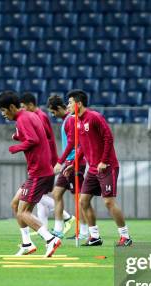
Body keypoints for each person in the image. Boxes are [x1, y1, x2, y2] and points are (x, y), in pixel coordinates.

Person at [57, 89, 132, 247]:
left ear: (79, 103)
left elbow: (108, 138)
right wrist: (73, 165)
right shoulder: (77, 122)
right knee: (83, 201)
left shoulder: (95, 117)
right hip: (92, 168)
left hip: (107, 166)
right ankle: (95, 237)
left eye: (70, 103)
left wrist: (104, 161)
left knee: (108, 202)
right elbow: (82, 147)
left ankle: (125, 237)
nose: (68, 105)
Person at [0, 90, 62, 257]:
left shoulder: (22, 119)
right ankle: (27, 243)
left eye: (4, 110)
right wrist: (18, 136)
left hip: (38, 172)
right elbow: (36, 135)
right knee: (15, 204)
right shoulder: (30, 115)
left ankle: (50, 239)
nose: (3, 115)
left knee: (23, 212)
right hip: (41, 170)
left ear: (12, 107)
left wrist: (16, 147)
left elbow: (33, 140)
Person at [20, 92, 74, 232]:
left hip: (46, 161)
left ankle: (67, 216)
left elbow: (45, 140)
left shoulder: (40, 116)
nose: (22, 111)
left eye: (23, 107)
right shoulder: (38, 116)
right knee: (41, 198)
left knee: (37, 195)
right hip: (46, 160)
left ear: (31, 105)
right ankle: (42, 230)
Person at [47, 94, 88, 240]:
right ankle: (58, 228)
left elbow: (74, 143)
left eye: (53, 112)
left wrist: (61, 161)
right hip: (68, 163)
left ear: (59, 108)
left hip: (74, 163)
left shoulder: (71, 120)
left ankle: (83, 232)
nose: (53, 115)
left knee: (79, 198)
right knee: (56, 193)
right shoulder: (67, 120)